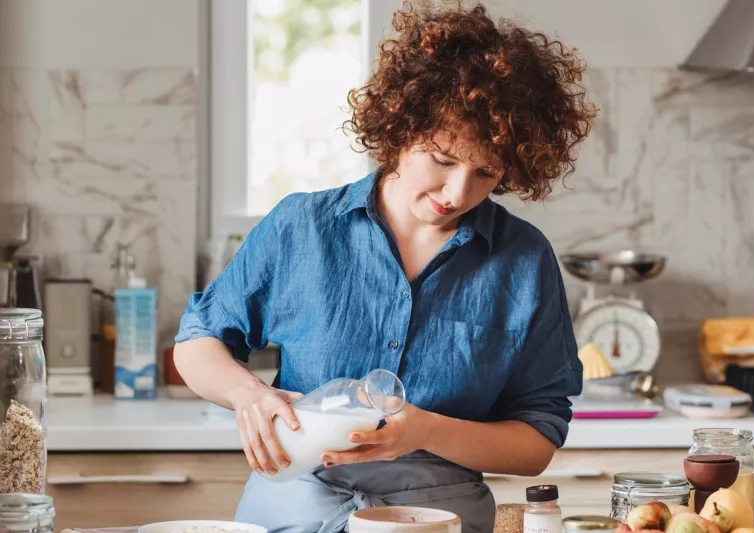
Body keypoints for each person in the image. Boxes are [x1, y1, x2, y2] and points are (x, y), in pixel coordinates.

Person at [174, 1, 596, 532]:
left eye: (486, 172)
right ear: (400, 130)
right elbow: (197, 340)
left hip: (438, 515)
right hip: (297, 503)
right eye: (442, 159)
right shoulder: (302, 226)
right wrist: (247, 394)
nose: (457, 192)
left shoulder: (523, 259)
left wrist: (422, 431)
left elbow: (536, 439)